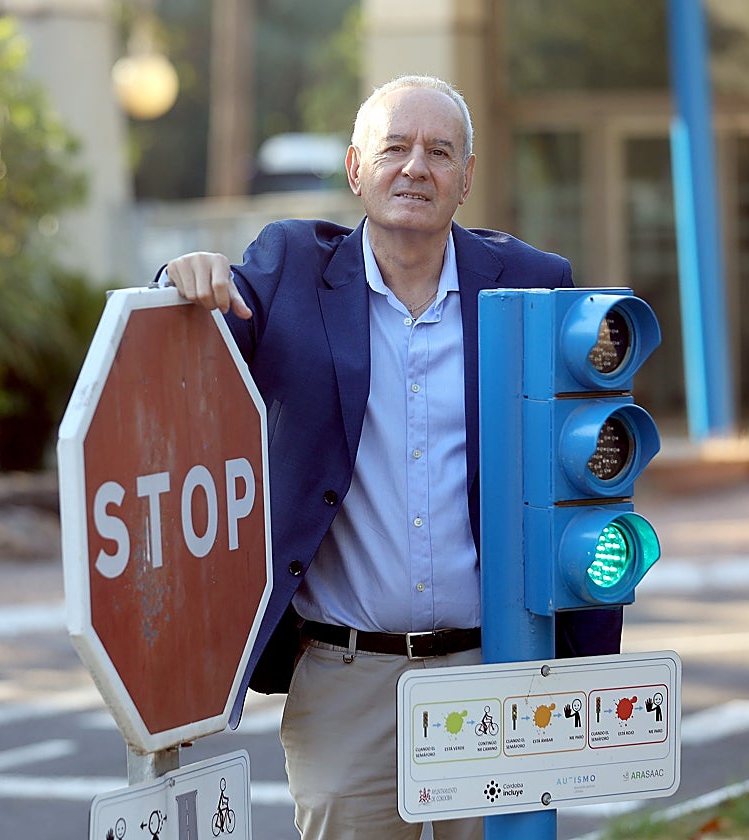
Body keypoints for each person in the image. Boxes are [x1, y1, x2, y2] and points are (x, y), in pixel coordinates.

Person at [162, 74, 622, 840]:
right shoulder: (290, 270)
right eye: (395, 148)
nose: (416, 168)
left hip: (495, 665)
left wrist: (579, 668)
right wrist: (179, 281)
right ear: (354, 169)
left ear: (467, 178)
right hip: (347, 677)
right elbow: (192, 349)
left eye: (440, 152)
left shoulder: (536, 284)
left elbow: (588, 472)